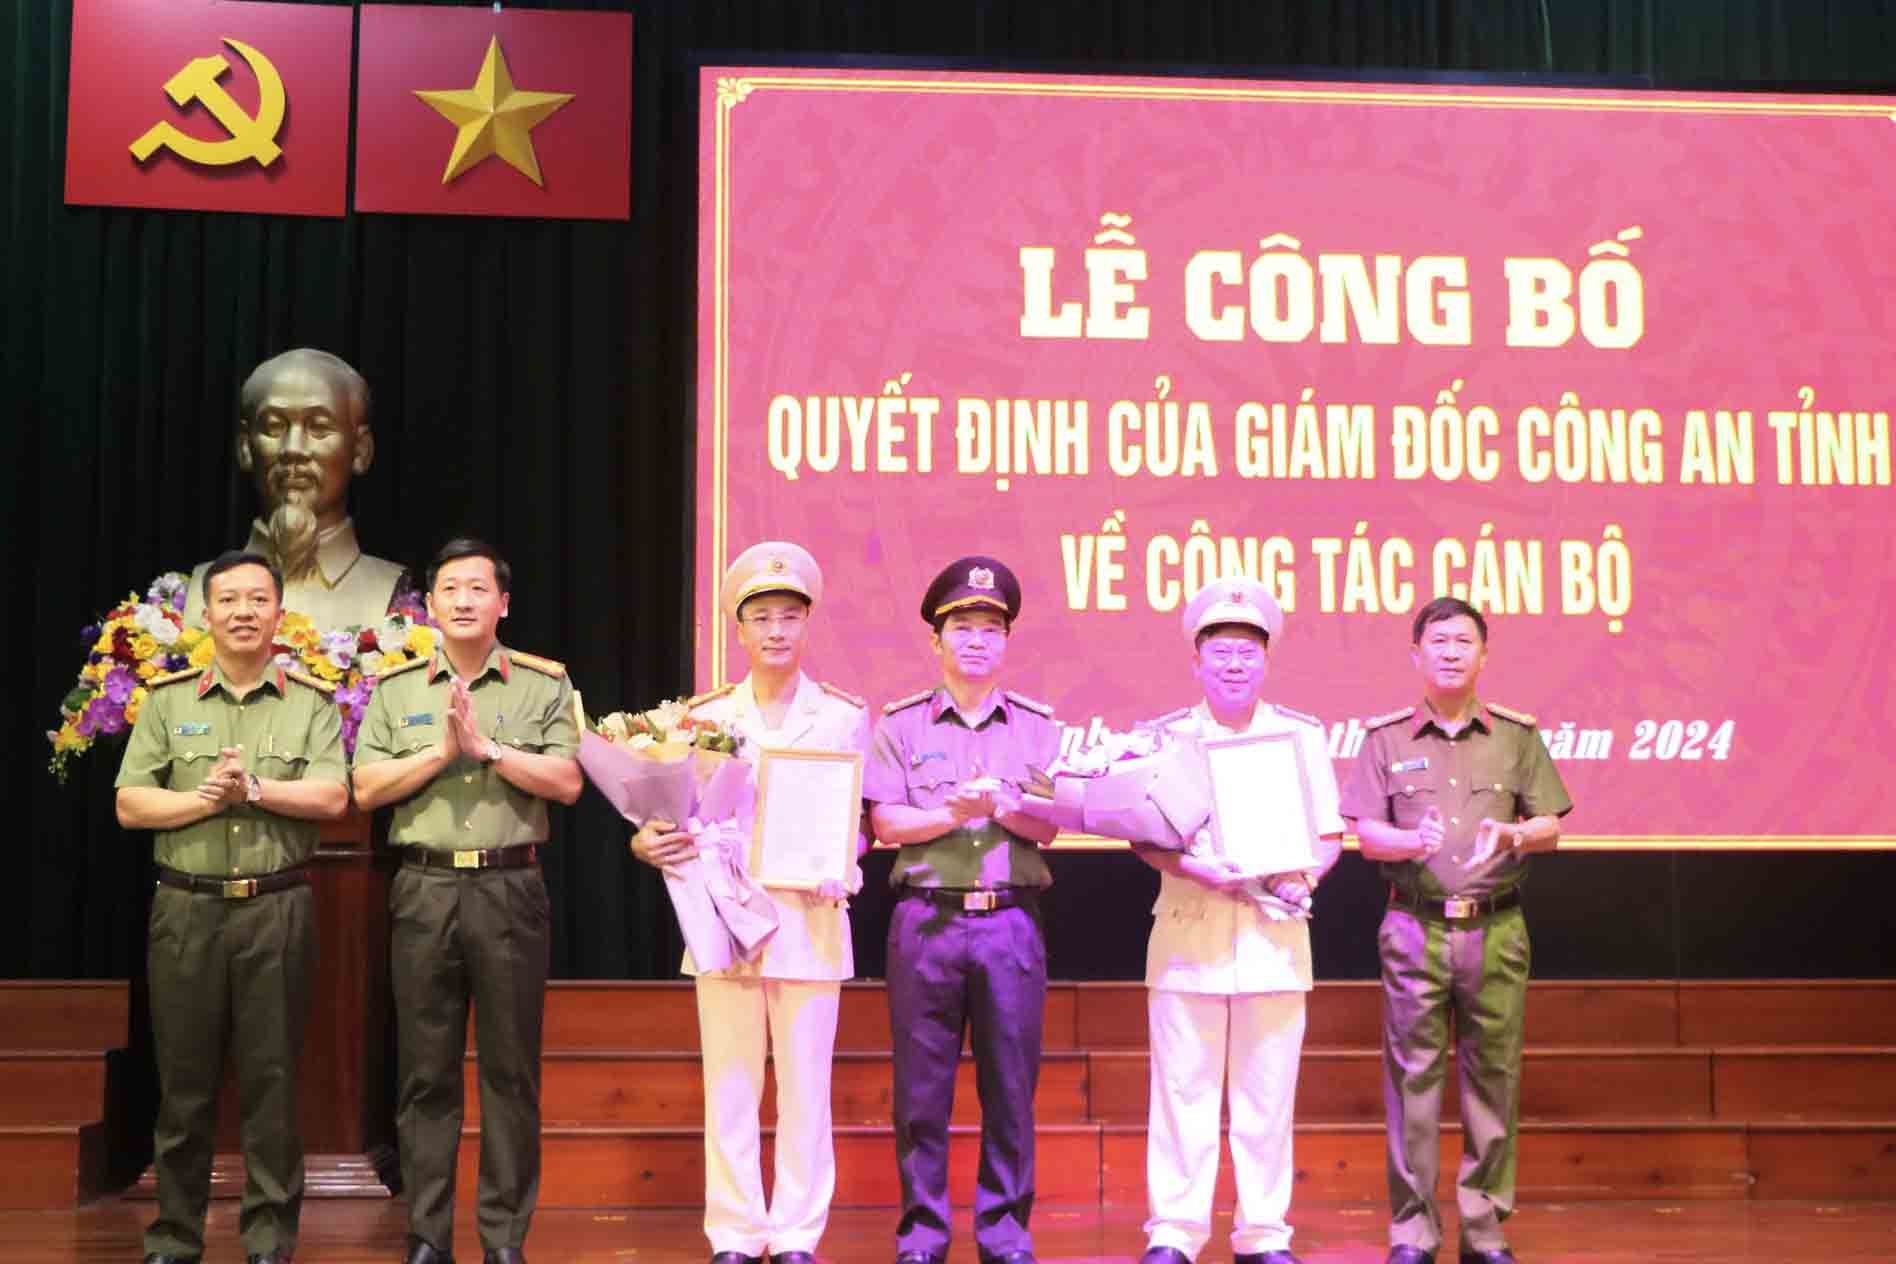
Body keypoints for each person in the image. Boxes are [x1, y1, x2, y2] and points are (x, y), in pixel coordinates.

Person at [630, 541, 872, 1264]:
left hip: (809, 918)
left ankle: (797, 1234)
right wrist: (647, 843)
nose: (775, 631)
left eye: (789, 617)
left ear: (808, 625)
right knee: (730, 1084)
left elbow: (852, 822)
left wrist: (844, 862)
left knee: (806, 1091)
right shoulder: (699, 719)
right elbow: (665, 814)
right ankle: (735, 1233)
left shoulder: (840, 716)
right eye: (761, 617)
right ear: (738, 631)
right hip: (722, 921)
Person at [115, 550, 350, 1264]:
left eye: (257, 599)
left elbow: (333, 797)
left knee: (272, 1083)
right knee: (183, 1085)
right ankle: (175, 1238)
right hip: (186, 912)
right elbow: (130, 803)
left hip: (275, 910)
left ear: (280, 614)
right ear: (205, 615)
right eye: (228, 600)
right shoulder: (168, 700)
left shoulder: (310, 702)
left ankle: (269, 1240)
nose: (243, 612)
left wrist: (256, 791)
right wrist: (201, 799)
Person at [353, 538, 583, 1264]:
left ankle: (504, 1240)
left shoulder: (543, 685)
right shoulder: (395, 690)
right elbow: (364, 790)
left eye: (477, 589)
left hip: (509, 887)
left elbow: (569, 782)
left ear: (502, 603)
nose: (462, 600)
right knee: (426, 1074)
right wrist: (438, 754)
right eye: (449, 588)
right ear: (430, 603)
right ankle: (427, 1237)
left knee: (511, 1072)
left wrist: (487, 751)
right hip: (423, 887)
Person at [1338, 597, 1573, 1264]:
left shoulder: (1516, 736)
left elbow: (1551, 824)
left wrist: (1518, 831)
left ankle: (1484, 1229)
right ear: (1416, 654)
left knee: (1493, 1079)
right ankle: (1413, 1232)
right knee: (1412, 1083)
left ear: (1483, 655)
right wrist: (1412, 842)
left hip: (1497, 931)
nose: (1449, 651)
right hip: (1415, 928)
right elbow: (1367, 836)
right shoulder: (1385, 738)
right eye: (1436, 640)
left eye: (1463, 641)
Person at [1132, 577, 1344, 1264]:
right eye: (1219, 650)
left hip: (1273, 939)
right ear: (1195, 661)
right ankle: (1175, 1232)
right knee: (1181, 1092)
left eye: (1246, 652)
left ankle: (1262, 1234)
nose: (1233, 664)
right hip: (1189, 931)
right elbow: (1144, 835)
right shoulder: (1165, 738)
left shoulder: (1300, 737)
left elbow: (1328, 834)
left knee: (1265, 1096)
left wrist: (1299, 874)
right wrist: (1195, 868)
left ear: (1266, 661)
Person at [862, 556, 1062, 1264]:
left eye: (990, 628)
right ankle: (923, 1234)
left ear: (1006, 642)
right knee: (921, 1093)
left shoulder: (1037, 727)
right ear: (936, 641)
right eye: (962, 627)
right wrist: (948, 812)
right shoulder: (901, 725)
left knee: (1011, 1088)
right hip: (927, 921)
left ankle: (1005, 1233)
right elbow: (885, 824)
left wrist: (1007, 807)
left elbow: (1049, 827)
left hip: (1010, 921)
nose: (976, 640)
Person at [185, 348, 407, 630]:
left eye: (319, 428)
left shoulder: (388, 594)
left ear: (360, 451)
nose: (293, 449)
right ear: (245, 447)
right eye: (274, 427)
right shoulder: (194, 595)